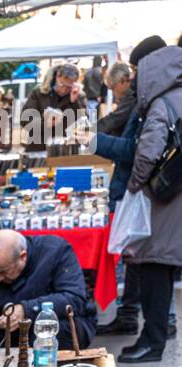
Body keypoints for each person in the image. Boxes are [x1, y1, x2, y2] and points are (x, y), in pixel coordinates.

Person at [95, 36, 168, 337]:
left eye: (136, 69)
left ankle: (156, 329)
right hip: (142, 187)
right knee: (141, 258)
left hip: (143, 189)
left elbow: (137, 151)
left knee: (149, 259)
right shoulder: (150, 95)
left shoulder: (152, 98)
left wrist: (94, 140)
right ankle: (136, 318)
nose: (133, 75)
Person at [117, 44, 182, 363]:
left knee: (155, 269)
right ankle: (154, 338)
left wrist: (132, 186)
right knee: (164, 270)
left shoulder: (162, 103)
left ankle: (152, 342)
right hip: (176, 197)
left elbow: (147, 152)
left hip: (163, 201)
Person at [0, 229, 96, 350]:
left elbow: (74, 298)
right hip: (14, 330)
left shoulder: (56, 251)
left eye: (4, 272)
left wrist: (26, 310)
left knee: (46, 337)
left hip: (61, 324)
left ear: (23, 257)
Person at [21, 64, 86, 152]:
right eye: (61, 84)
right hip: (38, 147)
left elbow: (83, 123)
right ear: (57, 77)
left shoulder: (78, 95)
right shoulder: (39, 92)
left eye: (68, 87)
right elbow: (24, 120)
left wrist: (74, 102)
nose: (63, 90)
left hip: (64, 150)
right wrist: (45, 123)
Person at [97, 61, 133, 135]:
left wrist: (89, 131)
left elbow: (113, 120)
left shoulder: (131, 98)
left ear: (122, 81)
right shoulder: (131, 97)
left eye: (112, 88)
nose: (113, 93)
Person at [83, 56, 107, 122]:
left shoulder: (88, 72)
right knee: (99, 120)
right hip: (100, 98)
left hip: (90, 98)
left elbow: (84, 86)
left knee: (92, 120)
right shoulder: (101, 72)